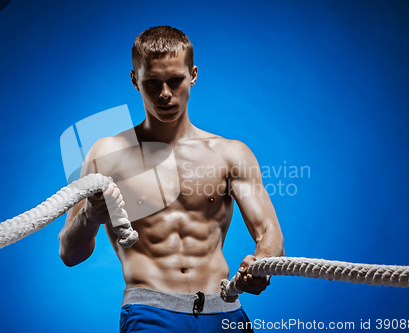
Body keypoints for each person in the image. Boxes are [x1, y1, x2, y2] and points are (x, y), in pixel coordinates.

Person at [58, 26, 284, 333]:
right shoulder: (106, 153)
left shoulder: (231, 154)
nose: (165, 93)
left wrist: (261, 265)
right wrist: (90, 214)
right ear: (135, 80)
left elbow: (270, 233)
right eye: (152, 82)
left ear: (192, 75)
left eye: (175, 80)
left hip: (225, 310)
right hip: (151, 311)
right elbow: (70, 254)